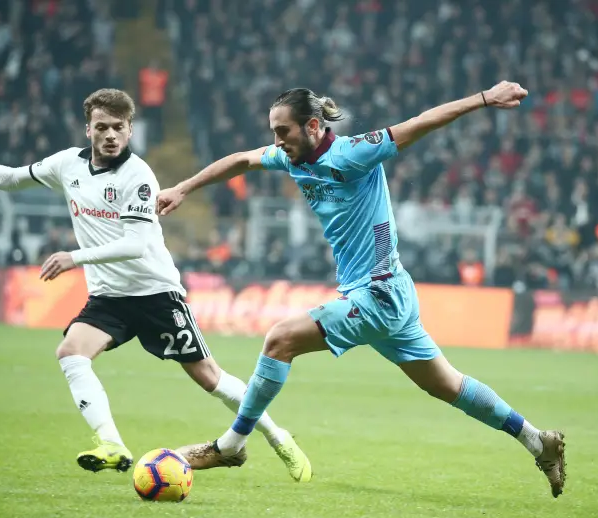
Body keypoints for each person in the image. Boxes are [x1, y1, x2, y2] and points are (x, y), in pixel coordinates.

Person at [157, 83, 566, 497]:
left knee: (279, 339)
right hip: (389, 295)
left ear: (313, 126)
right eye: (275, 132)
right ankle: (537, 440)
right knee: (448, 385)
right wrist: (184, 188)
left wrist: (484, 98)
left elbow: (420, 123)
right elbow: (243, 160)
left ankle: (231, 445)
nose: (277, 141)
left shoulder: (353, 153)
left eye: (284, 131)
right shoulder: (290, 156)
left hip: (379, 294)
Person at [0, 88, 309, 480]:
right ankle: (112, 444)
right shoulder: (68, 164)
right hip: (109, 297)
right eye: (102, 127)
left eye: (118, 127)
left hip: (155, 293)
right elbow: (13, 179)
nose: (110, 135)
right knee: (70, 352)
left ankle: (278, 437)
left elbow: (135, 245)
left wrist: (74, 258)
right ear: (88, 130)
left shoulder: (138, 176)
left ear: (131, 130)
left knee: (210, 378)